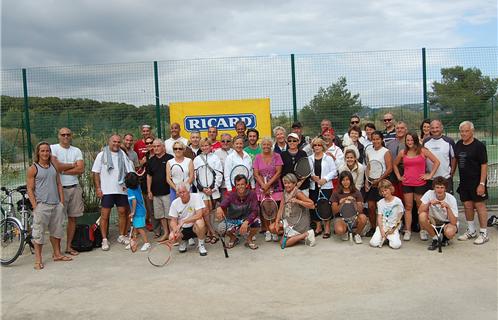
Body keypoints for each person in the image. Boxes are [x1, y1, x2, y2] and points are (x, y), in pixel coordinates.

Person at [27, 142, 70, 270]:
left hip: (56, 205)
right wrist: (35, 206)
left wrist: (61, 202)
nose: (45, 153)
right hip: (42, 206)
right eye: (43, 151)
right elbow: (30, 189)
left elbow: (58, 184)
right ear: (38, 153)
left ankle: (57, 254)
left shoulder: (53, 166)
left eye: (47, 151)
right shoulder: (33, 168)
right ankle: (38, 259)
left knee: (57, 231)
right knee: (39, 233)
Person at [393, 132, 440, 241]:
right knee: (408, 207)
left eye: (411, 140)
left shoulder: (423, 151)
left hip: (420, 184)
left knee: (420, 208)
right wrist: (399, 177)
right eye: (407, 140)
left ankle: (422, 230)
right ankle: (408, 230)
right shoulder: (402, 152)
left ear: (416, 140)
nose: (410, 142)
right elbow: (394, 164)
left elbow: (437, 162)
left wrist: (430, 175)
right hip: (407, 184)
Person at [92, 134, 135, 251]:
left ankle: (121, 235)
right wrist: (98, 188)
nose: (116, 144)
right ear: (109, 142)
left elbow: (130, 172)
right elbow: (95, 172)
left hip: (121, 190)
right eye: (114, 141)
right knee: (105, 215)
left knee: (122, 212)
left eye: (118, 142)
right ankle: (104, 239)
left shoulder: (123, 156)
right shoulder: (101, 155)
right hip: (106, 190)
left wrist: (129, 186)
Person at [50, 128, 84, 257]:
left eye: (68, 134)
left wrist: (63, 169)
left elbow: (81, 169)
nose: (65, 136)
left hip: (74, 188)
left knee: (73, 219)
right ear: (58, 136)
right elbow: (56, 167)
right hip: (59, 190)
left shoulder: (76, 150)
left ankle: (69, 247)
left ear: (71, 136)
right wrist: (71, 165)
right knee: (57, 221)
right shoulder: (53, 148)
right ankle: (56, 251)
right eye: (63, 134)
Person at [454, 121, 490, 245]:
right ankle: (471, 230)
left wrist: (482, 184)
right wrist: (450, 174)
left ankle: (484, 233)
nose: (463, 133)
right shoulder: (458, 144)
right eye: (462, 131)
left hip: (477, 182)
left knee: (479, 206)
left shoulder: (479, 146)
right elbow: (455, 160)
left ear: (472, 131)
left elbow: (484, 165)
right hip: (464, 182)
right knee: (467, 206)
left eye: (466, 131)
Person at [270, 173, 316, 247]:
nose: (286, 185)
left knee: (283, 244)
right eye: (285, 183)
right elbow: (281, 208)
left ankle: (305, 234)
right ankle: (293, 235)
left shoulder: (298, 193)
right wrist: (276, 222)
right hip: (289, 220)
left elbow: (312, 205)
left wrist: (298, 201)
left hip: (298, 223)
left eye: (289, 183)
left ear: (294, 183)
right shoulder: (285, 191)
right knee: (272, 228)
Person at [215, 174, 261, 250]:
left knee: (258, 222)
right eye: (238, 185)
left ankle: (249, 239)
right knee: (220, 228)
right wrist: (219, 207)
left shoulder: (252, 194)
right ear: (235, 186)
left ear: (247, 185)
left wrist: (246, 221)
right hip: (233, 220)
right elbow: (223, 204)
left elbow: (255, 211)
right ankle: (233, 238)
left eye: (242, 184)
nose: (240, 186)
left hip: (247, 219)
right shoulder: (231, 195)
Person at [253, 137, 283, 242]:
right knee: (264, 209)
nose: (266, 146)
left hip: (275, 187)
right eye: (264, 144)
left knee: (274, 209)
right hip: (261, 188)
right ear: (261, 146)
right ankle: (267, 231)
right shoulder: (257, 157)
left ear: (271, 145)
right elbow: (256, 174)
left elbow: (278, 172)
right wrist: (263, 185)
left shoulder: (277, 156)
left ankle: (274, 229)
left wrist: (269, 184)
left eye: (268, 144)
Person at [193, 138, 223, 243]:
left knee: (211, 212)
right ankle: (212, 233)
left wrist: (213, 188)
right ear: (200, 147)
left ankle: (212, 233)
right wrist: (201, 188)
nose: (205, 147)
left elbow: (219, 174)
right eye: (203, 146)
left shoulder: (215, 158)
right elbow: (194, 176)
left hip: (213, 191)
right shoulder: (196, 159)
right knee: (205, 212)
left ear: (211, 146)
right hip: (202, 192)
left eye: (207, 145)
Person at [168, 183, 208, 256]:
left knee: (200, 222)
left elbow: (199, 214)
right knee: (171, 235)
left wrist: (184, 221)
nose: (182, 194)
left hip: (194, 227)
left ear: (189, 191)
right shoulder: (174, 203)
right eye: (180, 192)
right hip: (183, 229)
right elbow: (173, 220)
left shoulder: (196, 197)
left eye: (184, 192)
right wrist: (175, 229)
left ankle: (201, 244)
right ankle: (182, 242)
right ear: (177, 193)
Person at [418, 177, 458, 250]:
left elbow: (454, 221)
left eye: (442, 187)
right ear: (434, 188)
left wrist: (448, 207)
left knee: (450, 232)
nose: (439, 190)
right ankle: (435, 239)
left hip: (447, 222)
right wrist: (429, 203)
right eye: (437, 187)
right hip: (434, 220)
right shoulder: (429, 193)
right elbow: (420, 211)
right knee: (422, 216)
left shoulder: (451, 198)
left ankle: (445, 238)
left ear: (445, 189)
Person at [308, 137, 337, 238]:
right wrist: (312, 177)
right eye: (315, 145)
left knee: (325, 207)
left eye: (319, 145)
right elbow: (308, 172)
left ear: (322, 146)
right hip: (313, 186)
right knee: (314, 205)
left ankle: (327, 228)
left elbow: (334, 171)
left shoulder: (328, 158)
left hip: (326, 186)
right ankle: (318, 227)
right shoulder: (309, 158)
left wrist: (325, 179)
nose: (317, 147)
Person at [365, 131, 393, 230]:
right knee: (371, 207)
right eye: (373, 139)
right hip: (371, 183)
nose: (375, 141)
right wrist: (366, 182)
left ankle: (385, 229)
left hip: (383, 183)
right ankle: (373, 228)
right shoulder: (369, 151)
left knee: (383, 208)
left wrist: (379, 180)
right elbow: (368, 167)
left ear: (381, 140)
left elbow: (389, 168)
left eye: (378, 139)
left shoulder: (386, 151)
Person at [146, 139, 174, 241]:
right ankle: (166, 233)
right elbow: (149, 176)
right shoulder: (151, 161)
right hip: (156, 193)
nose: (156, 148)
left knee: (169, 215)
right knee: (161, 215)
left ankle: (172, 234)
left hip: (168, 192)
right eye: (154, 146)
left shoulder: (170, 159)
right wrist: (149, 191)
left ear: (163, 147)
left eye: (158, 146)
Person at [331, 171, 368, 244]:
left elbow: (360, 210)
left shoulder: (356, 192)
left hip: (354, 217)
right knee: (339, 230)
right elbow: (334, 211)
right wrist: (342, 203)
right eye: (343, 180)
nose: (345, 182)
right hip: (341, 218)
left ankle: (357, 234)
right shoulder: (336, 193)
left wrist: (354, 202)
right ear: (340, 181)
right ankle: (346, 231)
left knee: (363, 217)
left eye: (347, 179)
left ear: (351, 180)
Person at [369, 179, 405, 249]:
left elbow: (399, 218)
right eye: (382, 191)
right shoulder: (380, 202)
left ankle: (388, 239)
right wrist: (382, 231)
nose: (384, 193)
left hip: (392, 227)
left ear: (390, 189)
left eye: (386, 190)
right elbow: (379, 218)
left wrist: (393, 229)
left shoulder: (398, 201)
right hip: (383, 226)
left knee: (396, 245)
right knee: (373, 243)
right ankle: (384, 237)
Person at [423, 119, 456, 193]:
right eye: (432, 128)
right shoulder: (426, 141)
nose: (435, 130)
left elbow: (454, 158)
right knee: (431, 203)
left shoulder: (449, 141)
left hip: (445, 178)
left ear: (441, 128)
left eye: (437, 127)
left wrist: (452, 172)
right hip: (430, 179)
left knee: (446, 202)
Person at [124, 172, 150, 251]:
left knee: (139, 228)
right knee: (135, 227)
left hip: (137, 212)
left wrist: (133, 212)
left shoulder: (130, 190)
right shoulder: (138, 186)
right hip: (141, 210)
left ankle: (146, 243)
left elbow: (134, 201)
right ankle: (134, 241)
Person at [386, 121, 408, 198]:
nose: (399, 130)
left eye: (402, 128)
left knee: (406, 197)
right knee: (395, 196)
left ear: (406, 129)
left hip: (406, 173)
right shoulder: (389, 144)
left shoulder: (410, 143)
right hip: (392, 174)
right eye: (397, 128)